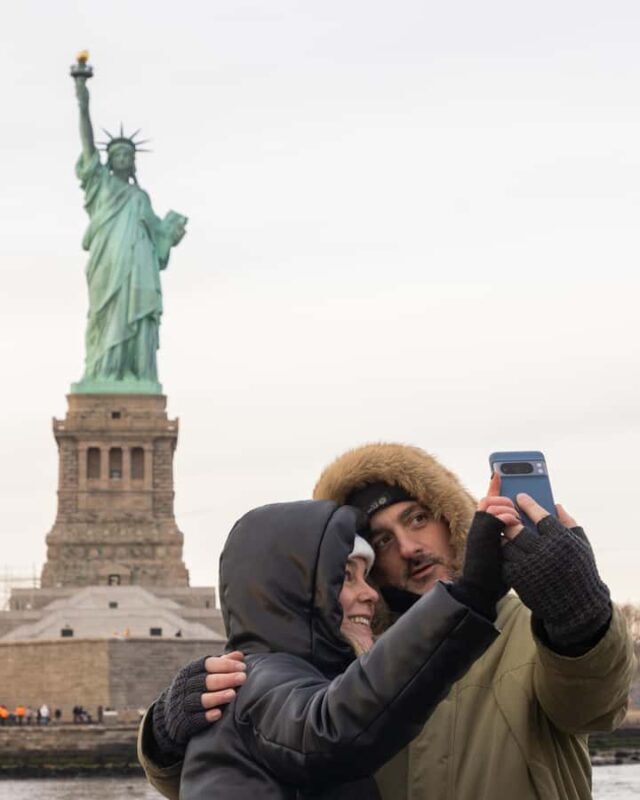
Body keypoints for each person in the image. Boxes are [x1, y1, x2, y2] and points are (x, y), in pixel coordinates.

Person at [140, 444, 635, 799]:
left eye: (417, 518)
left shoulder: (533, 626)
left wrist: (579, 617)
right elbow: (240, 772)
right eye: (380, 540)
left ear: (451, 517)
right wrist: (168, 735)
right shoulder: (333, 649)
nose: (409, 548)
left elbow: (594, 707)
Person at [141, 495, 506, 798]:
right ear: (296, 591)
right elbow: (331, 729)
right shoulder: (254, 682)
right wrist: (469, 595)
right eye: (346, 577)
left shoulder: (291, 678)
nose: (371, 594)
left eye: (368, 576)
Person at [72, 73, 187, 390]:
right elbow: (86, 144)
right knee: (104, 315)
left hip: (139, 269)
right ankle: (103, 371)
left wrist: (170, 234)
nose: (124, 158)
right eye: (118, 154)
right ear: (109, 162)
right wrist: (83, 101)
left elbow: (159, 239)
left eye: (129, 155)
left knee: (137, 316)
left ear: (133, 162)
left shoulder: (141, 197)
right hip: (108, 264)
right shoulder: (102, 185)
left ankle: (135, 374)